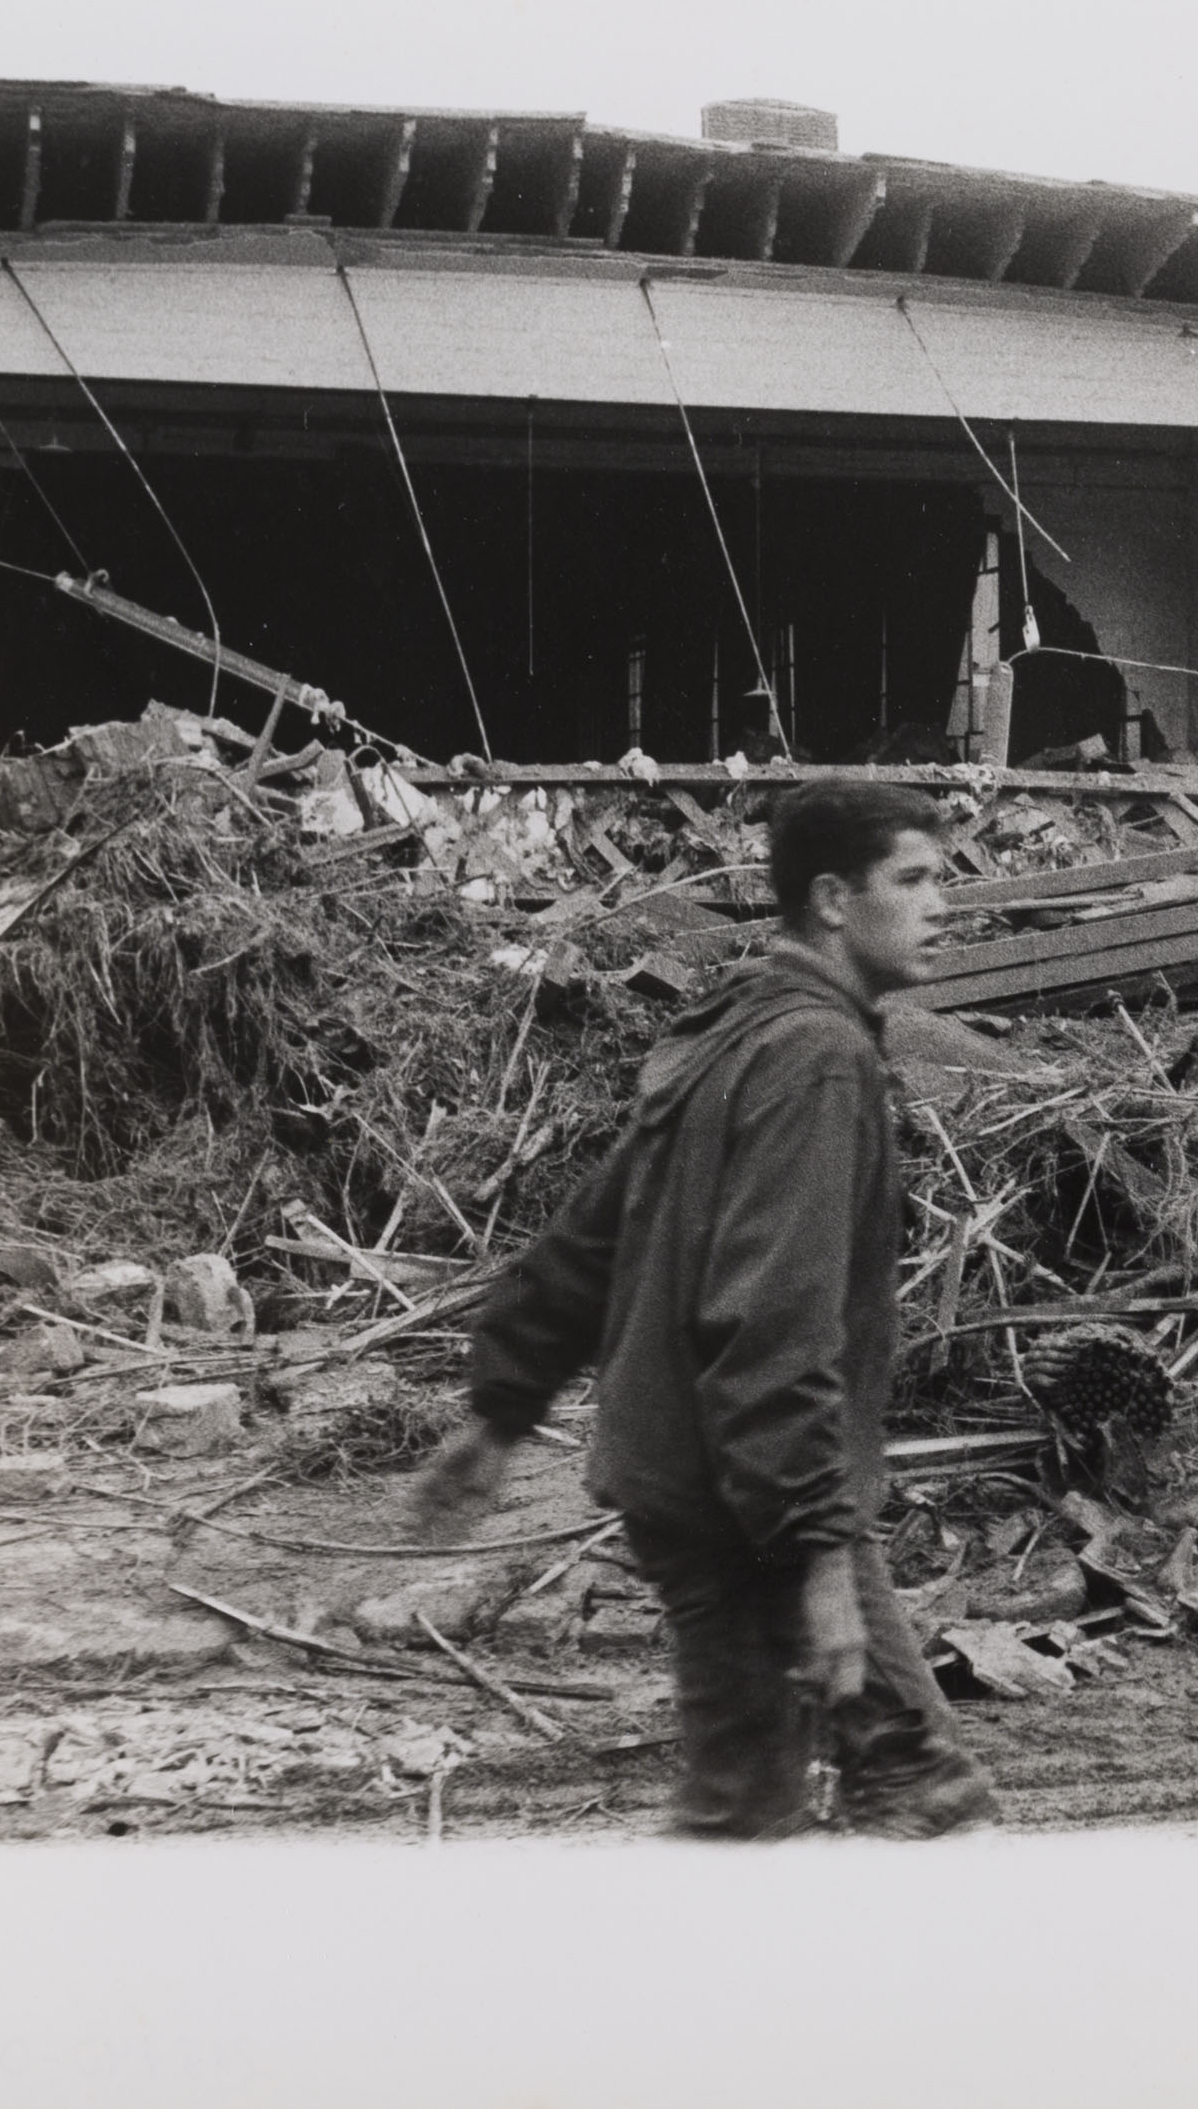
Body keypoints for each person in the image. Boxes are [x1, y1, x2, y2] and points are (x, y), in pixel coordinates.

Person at [409, 780, 995, 1841]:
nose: (942, 906)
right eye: (913, 880)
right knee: (911, 1793)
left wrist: (497, 1416)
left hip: (698, 1482)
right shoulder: (817, 1057)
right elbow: (773, 1322)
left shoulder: (729, 1033)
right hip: (753, 1504)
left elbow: (591, 1240)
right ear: (830, 899)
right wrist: (821, 1556)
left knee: (755, 1799)